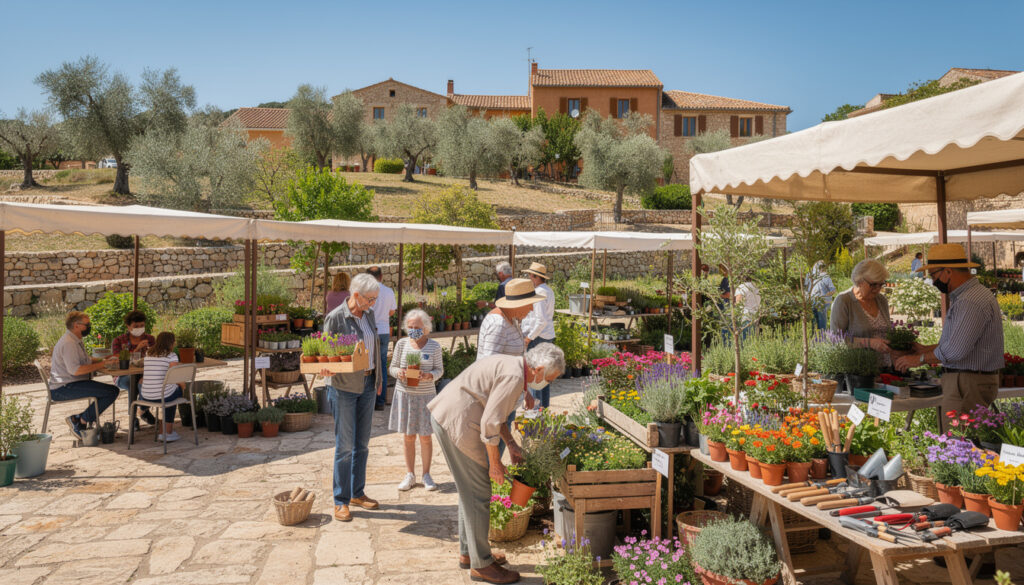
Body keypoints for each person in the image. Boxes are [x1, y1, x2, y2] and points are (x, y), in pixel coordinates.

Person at [428, 343, 565, 584]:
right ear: (539, 369)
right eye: (549, 379)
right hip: (457, 422)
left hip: (454, 416)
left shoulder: (516, 369)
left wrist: (511, 445)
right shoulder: (513, 376)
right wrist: (494, 464)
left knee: (470, 492)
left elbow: (496, 412)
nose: (547, 384)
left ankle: (469, 552)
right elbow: (491, 423)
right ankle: (482, 564)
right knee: (479, 493)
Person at [895, 244, 1004, 425]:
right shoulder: (971, 296)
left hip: (968, 383)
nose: (933, 280)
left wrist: (920, 358)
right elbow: (958, 343)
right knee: (963, 446)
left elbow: (955, 351)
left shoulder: (970, 301)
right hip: (969, 381)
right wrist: (926, 348)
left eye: (934, 275)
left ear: (947, 272)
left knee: (960, 446)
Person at [322, 273, 383, 522]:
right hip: (344, 386)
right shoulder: (336, 317)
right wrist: (326, 365)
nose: (373, 304)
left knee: (363, 443)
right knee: (344, 446)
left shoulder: (367, 314)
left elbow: (375, 347)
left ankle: (357, 493)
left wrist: (378, 379)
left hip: (368, 383)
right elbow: (326, 351)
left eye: (375, 299)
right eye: (370, 299)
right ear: (355, 295)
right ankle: (340, 500)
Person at [389, 309, 443, 491]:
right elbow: (393, 367)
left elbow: (439, 370)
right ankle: (410, 474)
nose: (413, 330)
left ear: (426, 328)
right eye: (410, 327)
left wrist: (429, 376)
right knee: (408, 436)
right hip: (405, 394)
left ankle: (426, 475)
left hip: (426, 395)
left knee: (426, 437)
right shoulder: (402, 344)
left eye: (417, 327)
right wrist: (400, 373)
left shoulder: (434, 346)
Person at [49, 311, 120, 440]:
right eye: (87, 324)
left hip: (71, 383)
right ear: (76, 325)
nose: (89, 326)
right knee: (111, 391)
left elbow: (85, 360)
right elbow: (75, 370)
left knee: (109, 391)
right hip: (63, 388)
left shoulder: (75, 340)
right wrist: (102, 364)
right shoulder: (69, 343)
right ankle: (79, 420)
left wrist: (105, 359)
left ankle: (82, 419)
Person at [830, 259, 893, 360]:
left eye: (880, 284)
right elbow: (835, 339)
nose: (877, 289)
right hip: (858, 368)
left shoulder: (881, 300)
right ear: (859, 281)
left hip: (885, 367)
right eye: (873, 284)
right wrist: (869, 343)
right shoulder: (844, 301)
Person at [111, 310, 157, 429]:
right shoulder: (119, 341)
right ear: (128, 326)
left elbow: (157, 356)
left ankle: (142, 409)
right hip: (122, 376)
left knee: (143, 381)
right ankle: (136, 415)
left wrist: (152, 350)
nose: (139, 328)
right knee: (133, 383)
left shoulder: (150, 339)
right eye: (136, 326)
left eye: (142, 326)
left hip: (144, 374)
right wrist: (136, 349)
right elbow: (117, 359)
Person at [139, 332, 187, 442]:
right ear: (171, 343)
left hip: (145, 396)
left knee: (168, 391)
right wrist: (183, 386)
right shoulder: (171, 356)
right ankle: (167, 432)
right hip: (162, 396)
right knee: (174, 393)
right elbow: (175, 376)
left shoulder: (148, 354)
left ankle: (162, 431)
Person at [478, 278, 541, 360]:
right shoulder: (498, 325)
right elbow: (489, 366)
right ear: (518, 304)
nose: (532, 308)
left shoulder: (511, 318)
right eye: (530, 304)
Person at [520, 262, 555, 407]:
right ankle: (543, 410)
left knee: (534, 379)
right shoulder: (548, 290)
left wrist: (529, 338)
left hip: (538, 338)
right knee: (543, 377)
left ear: (535, 277)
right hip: (546, 336)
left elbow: (541, 321)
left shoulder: (539, 292)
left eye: (530, 275)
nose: (528, 277)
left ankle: (536, 411)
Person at [367, 266, 397, 411]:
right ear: (381, 276)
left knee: (367, 365)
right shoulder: (389, 291)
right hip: (384, 331)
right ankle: (380, 401)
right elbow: (392, 311)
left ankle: (368, 400)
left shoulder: (366, 291)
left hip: (369, 331)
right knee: (382, 366)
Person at [806, 261, 837, 330]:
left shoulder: (825, 277)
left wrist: (824, 297)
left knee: (821, 322)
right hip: (812, 301)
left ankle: (822, 338)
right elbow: (806, 289)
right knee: (813, 322)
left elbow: (833, 290)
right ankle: (815, 337)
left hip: (821, 302)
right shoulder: (810, 276)